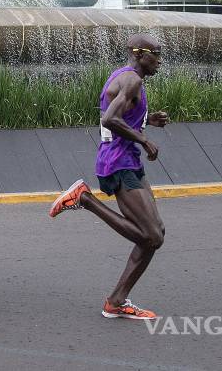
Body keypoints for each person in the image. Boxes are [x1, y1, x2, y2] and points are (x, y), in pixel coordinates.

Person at [49, 33, 169, 321]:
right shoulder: (132, 80)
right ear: (140, 55)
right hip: (118, 162)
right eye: (155, 54)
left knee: (156, 233)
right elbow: (109, 119)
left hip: (127, 161)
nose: (159, 61)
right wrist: (143, 139)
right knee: (152, 236)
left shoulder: (124, 76)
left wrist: (147, 119)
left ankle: (116, 302)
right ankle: (85, 199)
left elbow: (119, 113)